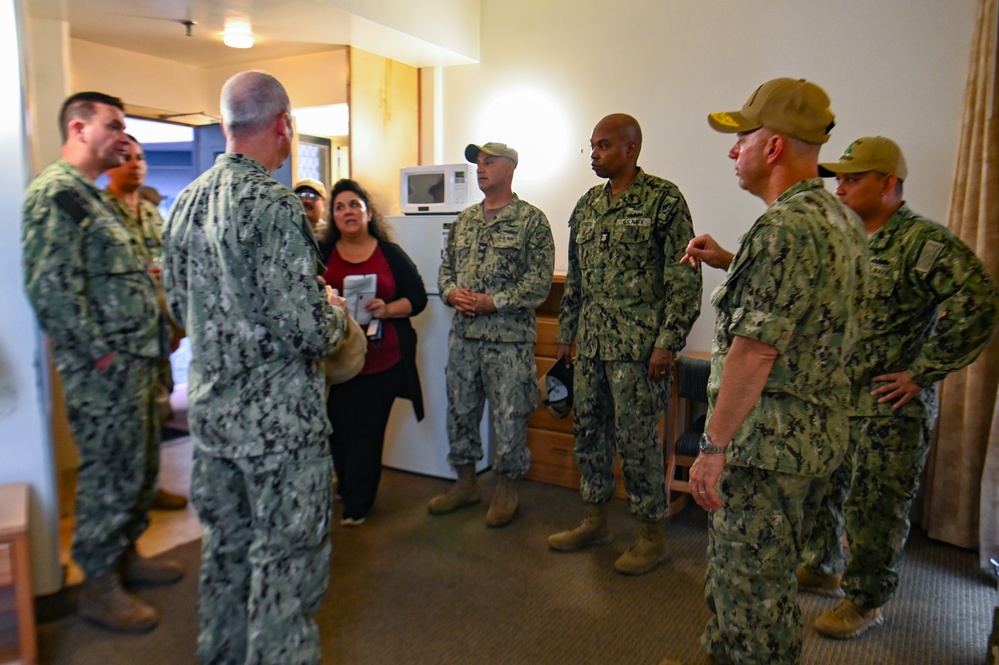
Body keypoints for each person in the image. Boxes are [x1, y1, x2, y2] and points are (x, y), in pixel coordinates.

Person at [660, 78, 868, 665]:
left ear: (772, 147)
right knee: (770, 578)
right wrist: (731, 259)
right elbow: (806, 308)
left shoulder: (781, 228)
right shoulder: (839, 220)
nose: (733, 151)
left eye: (741, 139)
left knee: (747, 591)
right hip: (811, 441)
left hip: (762, 447)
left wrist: (712, 447)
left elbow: (756, 352)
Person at [161, 71, 349, 665]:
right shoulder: (273, 203)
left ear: (224, 126)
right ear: (284, 125)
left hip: (214, 423)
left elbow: (175, 306)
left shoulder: (186, 202)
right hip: (280, 432)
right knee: (286, 565)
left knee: (224, 557)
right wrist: (335, 314)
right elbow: (307, 329)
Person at [798, 136, 999, 639]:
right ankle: (822, 567)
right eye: (838, 178)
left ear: (889, 183)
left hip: (890, 408)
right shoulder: (842, 236)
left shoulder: (921, 243)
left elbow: (979, 302)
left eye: (853, 178)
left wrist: (924, 371)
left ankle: (865, 600)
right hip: (838, 398)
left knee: (874, 508)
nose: (840, 188)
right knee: (824, 492)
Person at [22, 92, 181, 633]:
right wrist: (104, 357)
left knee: (134, 467)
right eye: (113, 126)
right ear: (79, 127)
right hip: (105, 373)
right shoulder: (56, 195)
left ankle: (127, 556)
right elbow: (51, 292)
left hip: (136, 362)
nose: (122, 137)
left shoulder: (91, 198)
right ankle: (98, 585)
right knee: (108, 473)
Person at [548, 114, 701, 575]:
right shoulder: (588, 205)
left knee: (637, 442)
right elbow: (574, 280)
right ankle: (595, 518)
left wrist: (667, 344)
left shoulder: (664, 200)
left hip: (638, 351)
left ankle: (652, 534)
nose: (593, 153)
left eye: (603, 145)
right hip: (591, 346)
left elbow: (684, 278)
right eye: (591, 146)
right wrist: (565, 338)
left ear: (631, 149)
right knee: (589, 434)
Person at [428, 141, 555, 527]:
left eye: (489, 161)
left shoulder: (532, 220)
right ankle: (465, 483)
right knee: (461, 412)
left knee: (510, 417)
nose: (480, 168)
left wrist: (492, 301)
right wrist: (451, 293)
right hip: (464, 339)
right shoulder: (465, 220)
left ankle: (507, 489)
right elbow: (446, 269)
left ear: (510, 168)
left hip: (509, 342)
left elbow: (539, 284)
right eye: (478, 163)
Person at [322, 178, 428, 525]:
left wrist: (387, 308)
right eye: (340, 207)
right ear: (332, 216)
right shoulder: (321, 254)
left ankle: (358, 503)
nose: (348, 211)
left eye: (355, 205)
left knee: (367, 435)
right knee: (338, 432)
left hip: (382, 362)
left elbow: (417, 298)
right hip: (335, 365)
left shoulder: (390, 254)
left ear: (368, 213)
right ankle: (347, 488)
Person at [103, 133, 188, 511]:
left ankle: (151, 487)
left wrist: (176, 327)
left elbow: (171, 271)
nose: (136, 164)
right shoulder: (99, 212)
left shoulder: (154, 215)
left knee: (157, 414)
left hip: (157, 336)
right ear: (110, 165)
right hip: (120, 343)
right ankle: (125, 501)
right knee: (123, 430)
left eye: (140, 157)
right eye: (126, 157)